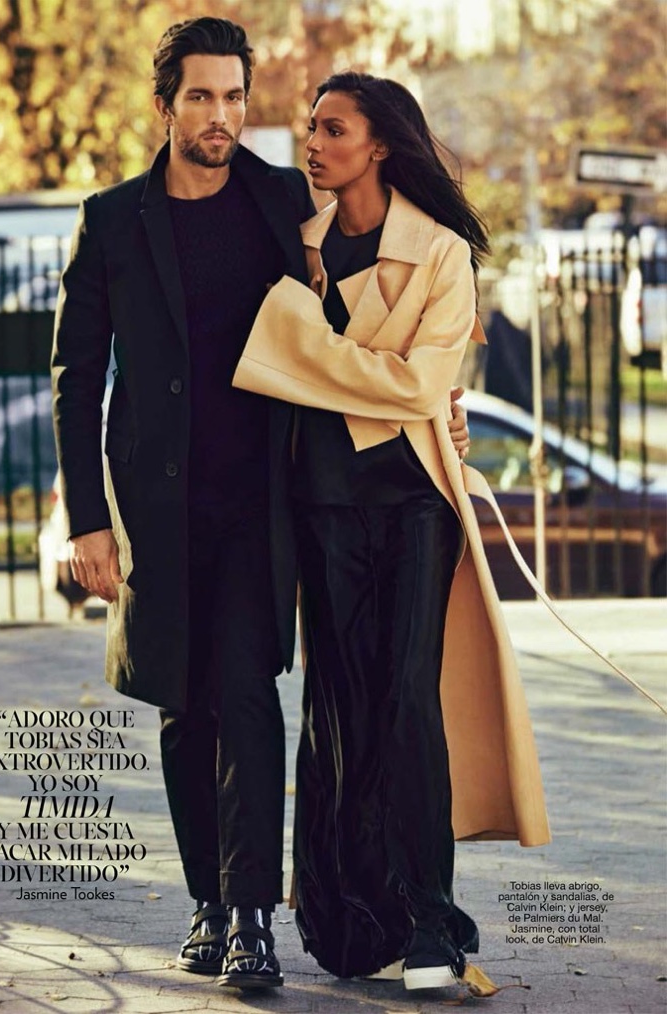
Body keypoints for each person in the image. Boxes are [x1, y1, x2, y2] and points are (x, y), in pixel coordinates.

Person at [52, 21, 469, 991]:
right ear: (164, 108)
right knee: (179, 704)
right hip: (154, 512)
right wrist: (87, 521)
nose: (221, 116)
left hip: (265, 506)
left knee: (247, 695)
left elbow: (368, 290)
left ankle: (249, 918)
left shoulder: (281, 204)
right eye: (200, 98)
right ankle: (206, 901)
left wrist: (440, 390)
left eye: (235, 97)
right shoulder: (111, 219)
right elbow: (76, 378)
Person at [233, 72, 550, 991]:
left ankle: (426, 924)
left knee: (407, 699)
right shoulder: (296, 247)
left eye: (334, 129)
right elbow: (363, 376)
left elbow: (418, 390)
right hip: (322, 501)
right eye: (311, 127)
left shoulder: (442, 254)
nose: (314, 142)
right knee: (339, 708)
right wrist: (335, 360)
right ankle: (351, 912)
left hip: (414, 500)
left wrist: (301, 349)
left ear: (380, 145)